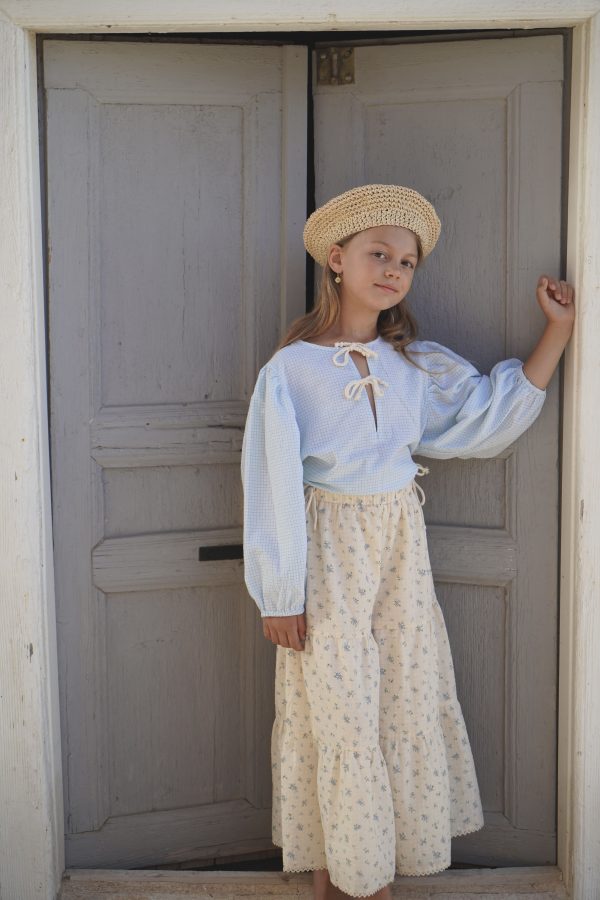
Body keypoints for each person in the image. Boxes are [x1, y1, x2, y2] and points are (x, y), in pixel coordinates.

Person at [240, 184, 575, 900]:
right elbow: (268, 484)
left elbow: (487, 418)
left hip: (398, 555)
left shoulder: (412, 365)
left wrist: (559, 332)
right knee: (339, 713)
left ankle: (362, 877)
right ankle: (350, 882)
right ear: (337, 259)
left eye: (407, 260)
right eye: (378, 253)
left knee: (398, 702)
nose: (393, 269)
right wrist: (278, 591)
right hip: (327, 560)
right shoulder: (291, 371)